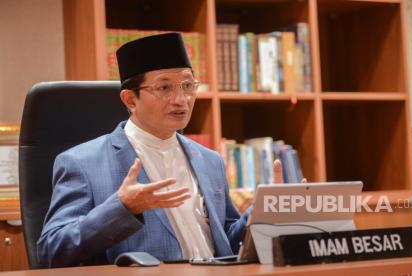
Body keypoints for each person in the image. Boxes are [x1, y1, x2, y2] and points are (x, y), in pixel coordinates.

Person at [37, 32, 283, 268]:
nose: (181, 99)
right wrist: (122, 207)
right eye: (164, 88)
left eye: (188, 85)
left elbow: (227, 244)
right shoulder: (82, 163)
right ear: (130, 100)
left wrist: (262, 210)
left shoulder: (210, 160)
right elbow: (51, 252)